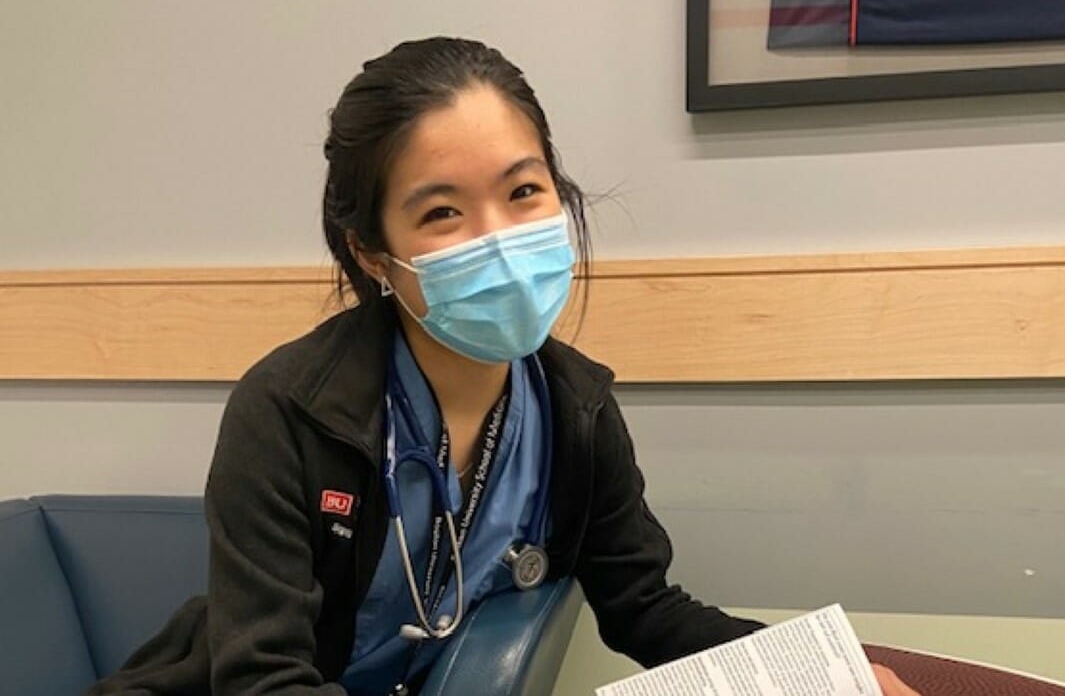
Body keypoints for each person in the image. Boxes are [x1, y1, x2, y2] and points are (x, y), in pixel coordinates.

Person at [91, 37, 920, 696]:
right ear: (374, 253)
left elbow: (646, 611)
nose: (497, 238)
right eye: (443, 211)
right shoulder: (285, 410)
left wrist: (830, 672)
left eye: (523, 192)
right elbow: (261, 679)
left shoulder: (576, 409)